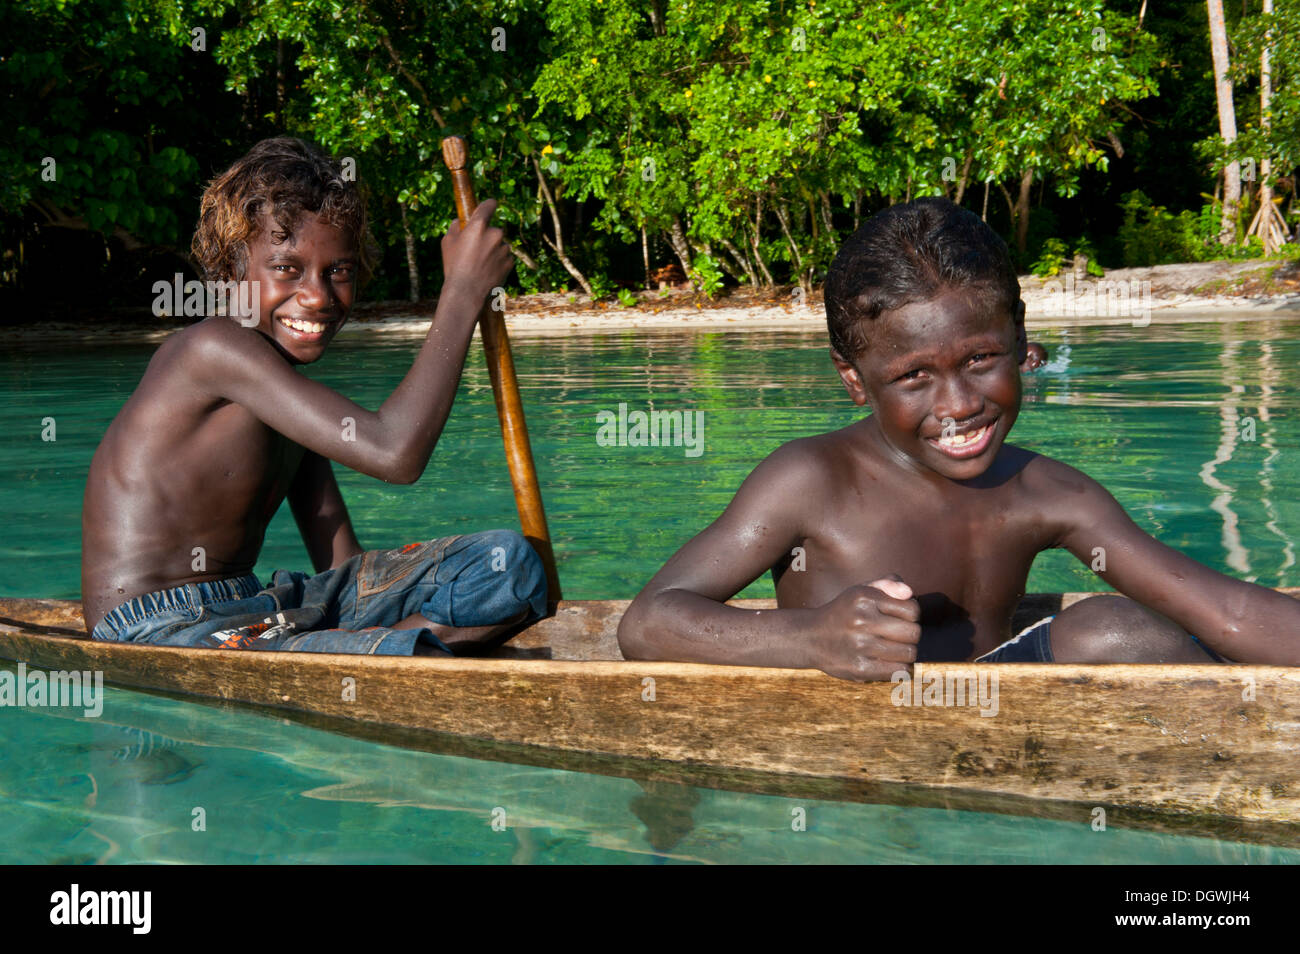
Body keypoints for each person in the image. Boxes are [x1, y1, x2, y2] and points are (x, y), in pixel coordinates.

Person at [618, 197, 1300, 679]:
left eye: (980, 359)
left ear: (1021, 341)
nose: (959, 406)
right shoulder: (812, 481)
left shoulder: (1049, 493)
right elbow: (649, 622)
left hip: (997, 723)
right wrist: (813, 637)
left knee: (1119, 630)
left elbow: (1226, 610)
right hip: (855, 728)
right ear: (856, 381)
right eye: (913, 376)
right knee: (1113, 629)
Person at [81, 137, 546, 655]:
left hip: (258, 607)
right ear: (229, 272)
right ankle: (377, 649)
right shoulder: (212, 348)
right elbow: (396, 454)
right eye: (286, 268)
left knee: (512, 563)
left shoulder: (287, 395)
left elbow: (342, 565)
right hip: (158, 625)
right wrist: (462, 290)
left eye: (338, 271)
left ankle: (373, 647)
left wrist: (382, 600)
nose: (318, 296)